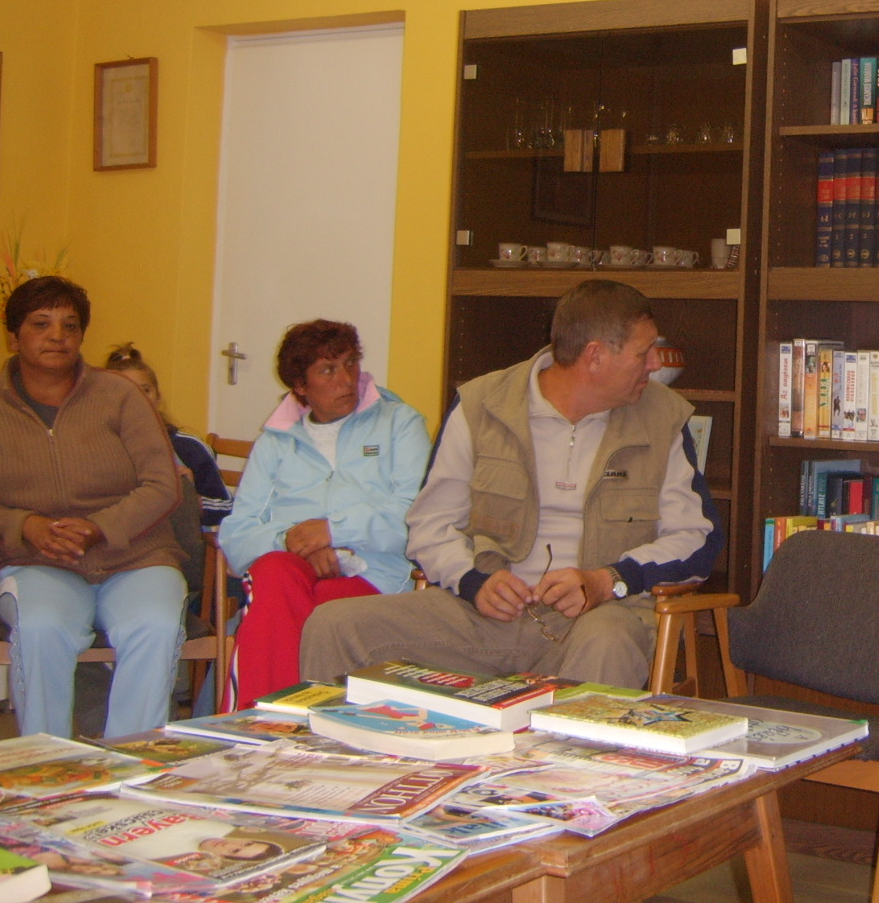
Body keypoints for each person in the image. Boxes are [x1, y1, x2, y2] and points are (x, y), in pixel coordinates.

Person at [300, 279, 722, 690]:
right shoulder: (481, 405)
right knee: (334, 625)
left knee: (609, 642)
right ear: (595, 356)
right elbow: (430, 524)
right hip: (480, 614)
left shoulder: (663, 418)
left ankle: (563, 743)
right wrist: (473, 581)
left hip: (594, 618)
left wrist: (607, 580)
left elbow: (697, 539)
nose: (655, 364)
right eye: (644, 353)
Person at [0, 276, 186, 740]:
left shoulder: (119, 395)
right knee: (41, 627)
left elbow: (161, 484)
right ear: (13, 337)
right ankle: (44, 760)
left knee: (156, 623)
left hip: (135, 557)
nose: (57, 336)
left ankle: (132, 758)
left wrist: (99, 528)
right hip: (36, 561)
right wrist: (25, 524)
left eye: (70, 325)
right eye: (41, 324)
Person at [218, 320, 430, 709]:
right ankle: (281, 719)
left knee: (296, 615)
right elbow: (236, 536)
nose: (346, 380)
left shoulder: (399, 423)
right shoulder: (276, 441)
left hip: (375, 576)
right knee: (275, 572)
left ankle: (265, 719)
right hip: (291, 572)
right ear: (300, 386)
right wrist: (294, 542)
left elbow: (414, 518)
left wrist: (334, 532)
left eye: (350, 363)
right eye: (328, 370)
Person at [103, 343, 232, 528]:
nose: (137, 400)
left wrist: (190, 496)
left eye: (144, 390)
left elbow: (228, 508)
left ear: (158, 397)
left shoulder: (188, 447)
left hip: (178, 540)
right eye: (123, 392)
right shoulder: (97, 446)